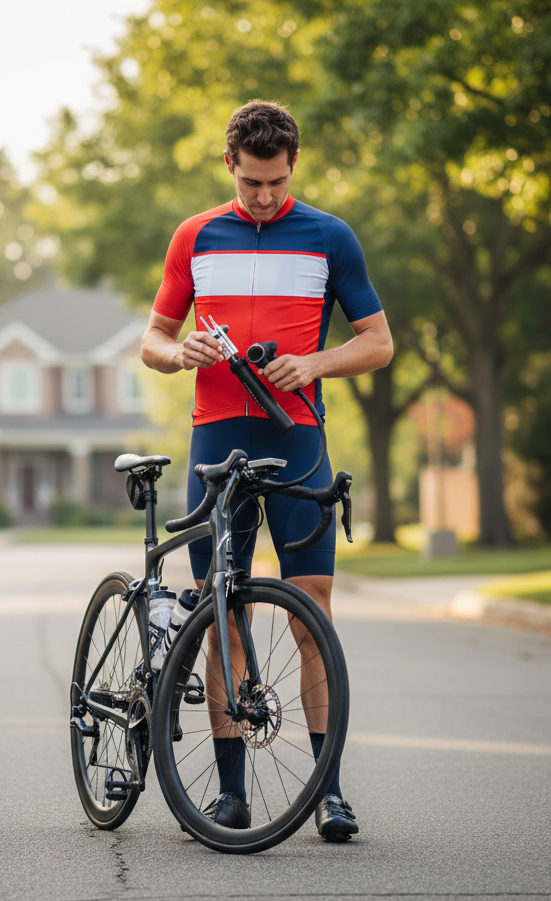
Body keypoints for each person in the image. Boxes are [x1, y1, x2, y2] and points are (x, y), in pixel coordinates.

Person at [140, 100, 393, 841]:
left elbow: (378, 342)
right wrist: (178, 351)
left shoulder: (328, 236)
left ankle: (329, 793)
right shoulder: (195, 236)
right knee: (224, 613)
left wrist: (316, 361)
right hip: (216, 442)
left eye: (278, 181)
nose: (265, 196)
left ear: (293, 166)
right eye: (253, 182)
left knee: (311, 612)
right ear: (230, 165)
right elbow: (152, 338)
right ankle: (230, 795)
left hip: (299, 439)